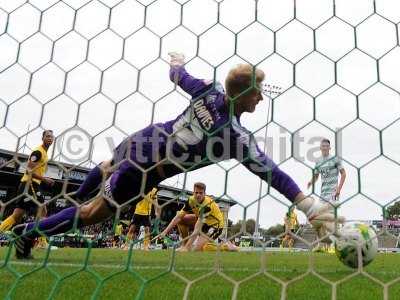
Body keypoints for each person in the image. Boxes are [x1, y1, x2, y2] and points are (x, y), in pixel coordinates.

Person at [12, 52, 342, 259]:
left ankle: (72, 197)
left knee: (106, 164)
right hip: (148, 169)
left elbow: (178, 76)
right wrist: (309, 205)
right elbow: (272, 172)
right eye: (256, 93)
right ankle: (29, 233)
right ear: (243, 94)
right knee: (90, 214)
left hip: (147, 136)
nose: (260, 99)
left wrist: (176, 63)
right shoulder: (235, 136)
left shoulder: (209, 89)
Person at [154, 182, 237, 251]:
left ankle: (227, 247)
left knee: (199, 249)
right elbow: (178, 217)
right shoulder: (191, 200)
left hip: (215, 226)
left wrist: (187, 248)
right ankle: (184, 245)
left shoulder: (207, 205)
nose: (198, 195)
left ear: (205, 193)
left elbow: (197, 228)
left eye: (201, 193)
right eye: (196, 192)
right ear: (193, 192)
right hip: (201, 220)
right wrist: (164, 232)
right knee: (181, 219)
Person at [0, 130, 55, 233]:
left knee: (17, 216)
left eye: (51, 137)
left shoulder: (45, 153)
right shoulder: (38, 152)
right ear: (42, 138)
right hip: (30, 184)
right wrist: (45, 179)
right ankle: (41, 241)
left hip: (29, 185)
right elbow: (28, 171)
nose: (50, 138)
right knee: (42, 210)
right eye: (47, 136)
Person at [307, 138, 347, 203]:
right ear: (320, 148)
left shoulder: (335, 159)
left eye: (327, 146)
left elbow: (343, 173)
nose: (325, 148)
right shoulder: (318, 161)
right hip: (323, 194)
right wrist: (310, 182)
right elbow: (316, 177)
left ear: (329, 148)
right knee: (320, 212)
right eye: (323, 146)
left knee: (331, 212)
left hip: (333, 193)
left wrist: (339, 189)